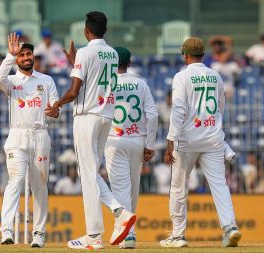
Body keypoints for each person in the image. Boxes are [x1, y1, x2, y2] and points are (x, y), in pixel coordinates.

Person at [45, 11, 136, 249]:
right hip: (107, 115)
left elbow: (75, 91)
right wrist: (76, 60)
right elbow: (93, 77)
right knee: (92, 172)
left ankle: (112, 218)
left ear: (87, 31)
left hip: (87, 117)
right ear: (104, 30)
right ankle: (100, 230)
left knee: (88, 173)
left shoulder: (85, 52)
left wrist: (56, 104)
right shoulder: (113, 54)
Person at [162, 37, 242, 248]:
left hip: (187, 140)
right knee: (219, 185)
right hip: (212, 138)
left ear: (185, 55)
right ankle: (230, 227)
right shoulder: (215, 76)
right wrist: (213, 126)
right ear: (203, 56)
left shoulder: (182, 76)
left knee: (179, 187)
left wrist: (170, 140)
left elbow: (178, 110)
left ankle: (178, 235)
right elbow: (220, 106)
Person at [0, 33, 59, 248]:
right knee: (16, 181)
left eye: (28, 54)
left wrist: (54, 110)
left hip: (40, 135)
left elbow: (55, 106)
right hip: (17, 135)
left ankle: (38, 233)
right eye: (22, 55)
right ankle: (7, 231)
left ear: (33, 57)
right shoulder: (12, 81)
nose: (26, 57)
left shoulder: (46, 80)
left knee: (40, 184)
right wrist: (9, 56)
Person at [102, 47, 158, 249]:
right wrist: (150, 144)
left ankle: (129, 234)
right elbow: (152, 114)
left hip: (114, 139)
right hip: (138, 140)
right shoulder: (140, 83)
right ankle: (130, 233)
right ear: (130, 62)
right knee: (133, 189)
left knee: (120, 190)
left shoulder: (107, 83)